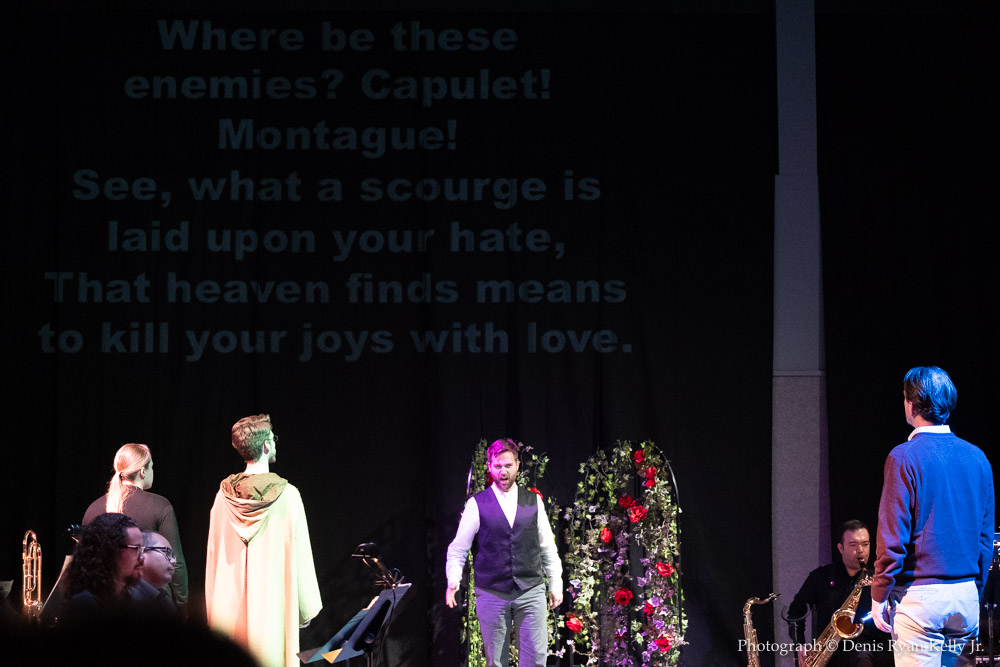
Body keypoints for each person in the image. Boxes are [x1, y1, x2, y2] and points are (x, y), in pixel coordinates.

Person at [871, 366, 994, 665]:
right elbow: (984, 538)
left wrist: (879, 594)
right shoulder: (978, 456)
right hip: (965, 597)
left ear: (911, 404)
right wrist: (973, 589)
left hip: (921, 598)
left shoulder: (903, 456)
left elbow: (893, 534)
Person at [205, 414, 322, 667]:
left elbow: (212, 555)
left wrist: (213, 610)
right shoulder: (288, 496)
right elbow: (301, 554)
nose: (275, 443)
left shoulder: (222, 497)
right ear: (266, 445)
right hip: (274, 608)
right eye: (273, 438)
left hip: (230, 609)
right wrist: (305, 607)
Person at [445, 438, 563, 667]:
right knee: (495, 662)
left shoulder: (534, 502)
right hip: (492, 593)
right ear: (490, 467)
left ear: (517, 466)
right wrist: (453, 579)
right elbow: (458, 548)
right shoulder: (477, 504)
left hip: (530, 591)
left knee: (535, 660)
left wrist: (556, 584)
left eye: (508, 465)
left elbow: (548, 547)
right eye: (498, 466)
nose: (503, 471)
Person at [82, 443, 188, 611]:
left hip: (103, 606)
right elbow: (175, 562)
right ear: (143, 471)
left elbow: (83, 563)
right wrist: (183, 604)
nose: (153, 471)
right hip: (152, 606)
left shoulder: (93, 508)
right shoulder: (160, 506)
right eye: (152, 466)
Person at [787, 520, 892, 666]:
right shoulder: (820, 577)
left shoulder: (877, 579)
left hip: (874, 644)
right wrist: (800, 645)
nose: (860, 550)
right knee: (861, 657)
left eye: (865, 544)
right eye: (853, 545)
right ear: (841, 548)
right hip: (835, 649)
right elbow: (796, 612)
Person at [61, 513, 146, 622]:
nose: (142, 558)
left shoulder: (127, 599)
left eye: (142, 549)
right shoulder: (85, 606)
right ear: (110, 551)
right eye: (135, 549)